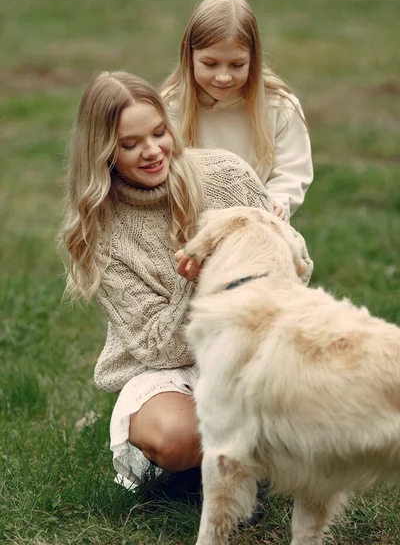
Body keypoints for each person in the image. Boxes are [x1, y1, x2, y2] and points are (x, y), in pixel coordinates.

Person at [59, 70, 313, 491]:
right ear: (103, 152)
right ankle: (191, 469)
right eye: (130, 144)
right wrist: (195, 282)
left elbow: (296, 266)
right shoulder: (101, 234)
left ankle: (244, 460)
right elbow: (158, 348)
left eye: (159, 133)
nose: (152, 151)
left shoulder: (225, 174)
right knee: (178, 438)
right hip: (168, 369)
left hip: (248, 352)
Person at [162, 0, 313, 222]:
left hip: (258, 224)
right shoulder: (170, 106)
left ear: (253, 59)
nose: (223, 77)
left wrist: (277, 201)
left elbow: (292, 170)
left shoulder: (279, 106)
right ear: (189, 56)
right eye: (210, 64)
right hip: (190, 227)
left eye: (237, 64)